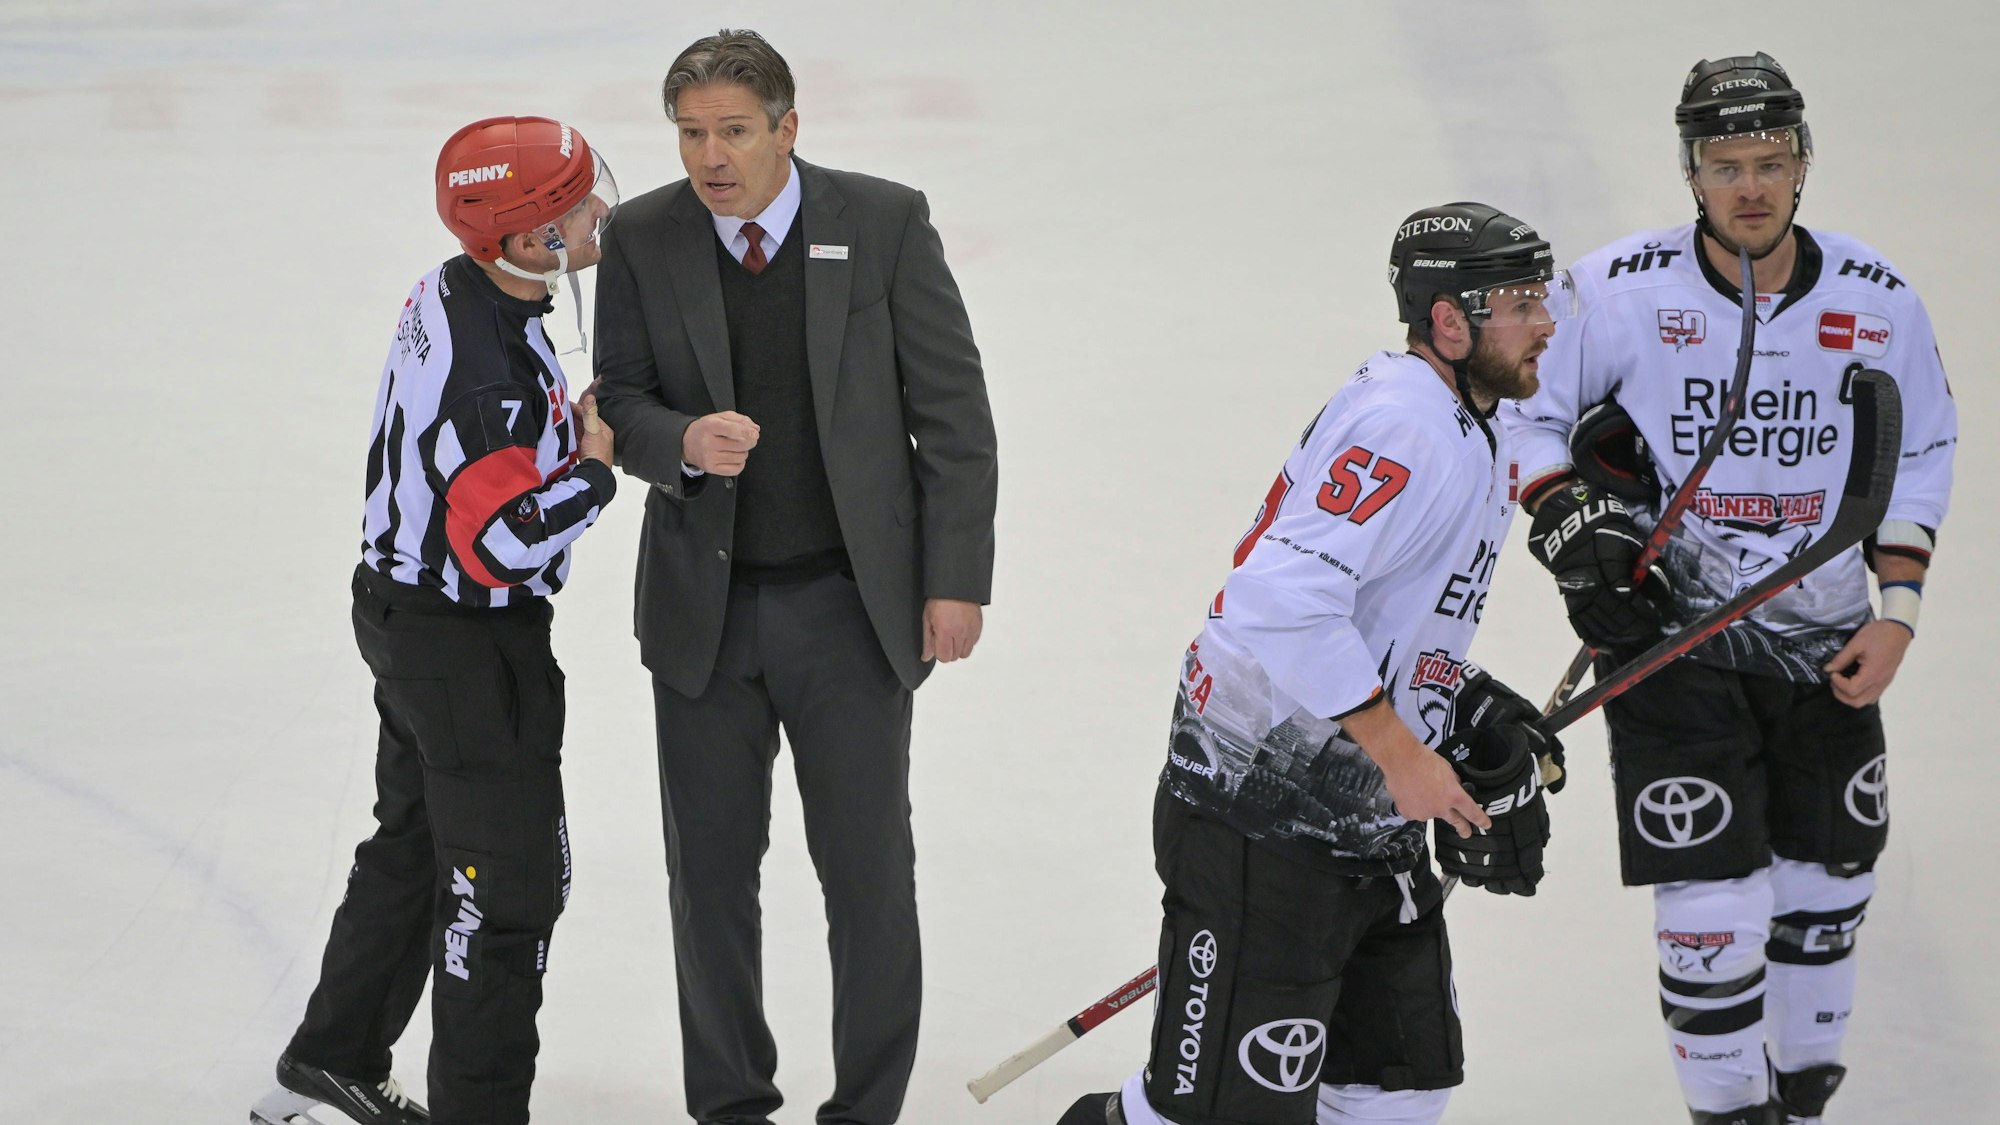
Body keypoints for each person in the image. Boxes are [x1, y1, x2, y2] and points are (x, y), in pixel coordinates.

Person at [1501, 53, 1957, 1125]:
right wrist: (1572, 528)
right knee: (1707, 904)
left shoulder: (1875, 297)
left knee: (1827, 885)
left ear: (1801, 166)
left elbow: (1921, 451)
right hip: (1669, 639)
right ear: (1689, 173)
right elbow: (1523, 415)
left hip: (1821, 639)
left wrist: (1896, 614)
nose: (1747, 186)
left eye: (1767, 161)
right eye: (1722, 165)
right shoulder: (1613, 291)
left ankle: (1799, 1105)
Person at [1060, 203, 1574, 1125]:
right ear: (1448, 320)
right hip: (1259, 818)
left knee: (1401, 1090)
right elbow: (1278, 601)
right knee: (1220, 1113)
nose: (1543, 321)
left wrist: (1458, 704)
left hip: (1363, 818)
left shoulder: (1467, 418)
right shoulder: (1406, 424)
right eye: (1518, 303)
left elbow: (1377, 608)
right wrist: (1403, 751)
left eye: (1541, 296)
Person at [591, 28, 998, 1125]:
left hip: (848, 616)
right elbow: (616, 401)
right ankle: (729, 1106)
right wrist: (678, 440)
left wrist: (953, 577)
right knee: (709, 885)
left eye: (731, 130)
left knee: (867, 883)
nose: (709, 156)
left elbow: (951, 416)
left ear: (787, 127)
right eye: (689, 134)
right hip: (702, 622)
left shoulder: (881, 220)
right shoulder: (637, 238)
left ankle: (864, 1110)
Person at [249, 116, 622, 1125]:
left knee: (416, 843)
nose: (600, 210)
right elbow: (500, 543)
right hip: (465, 647)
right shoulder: (489, 380)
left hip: (406, 619)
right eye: (576, 203)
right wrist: (594, 468)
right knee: (505, 895)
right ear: (524, 236)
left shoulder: (459, 286)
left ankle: (333, 1054)